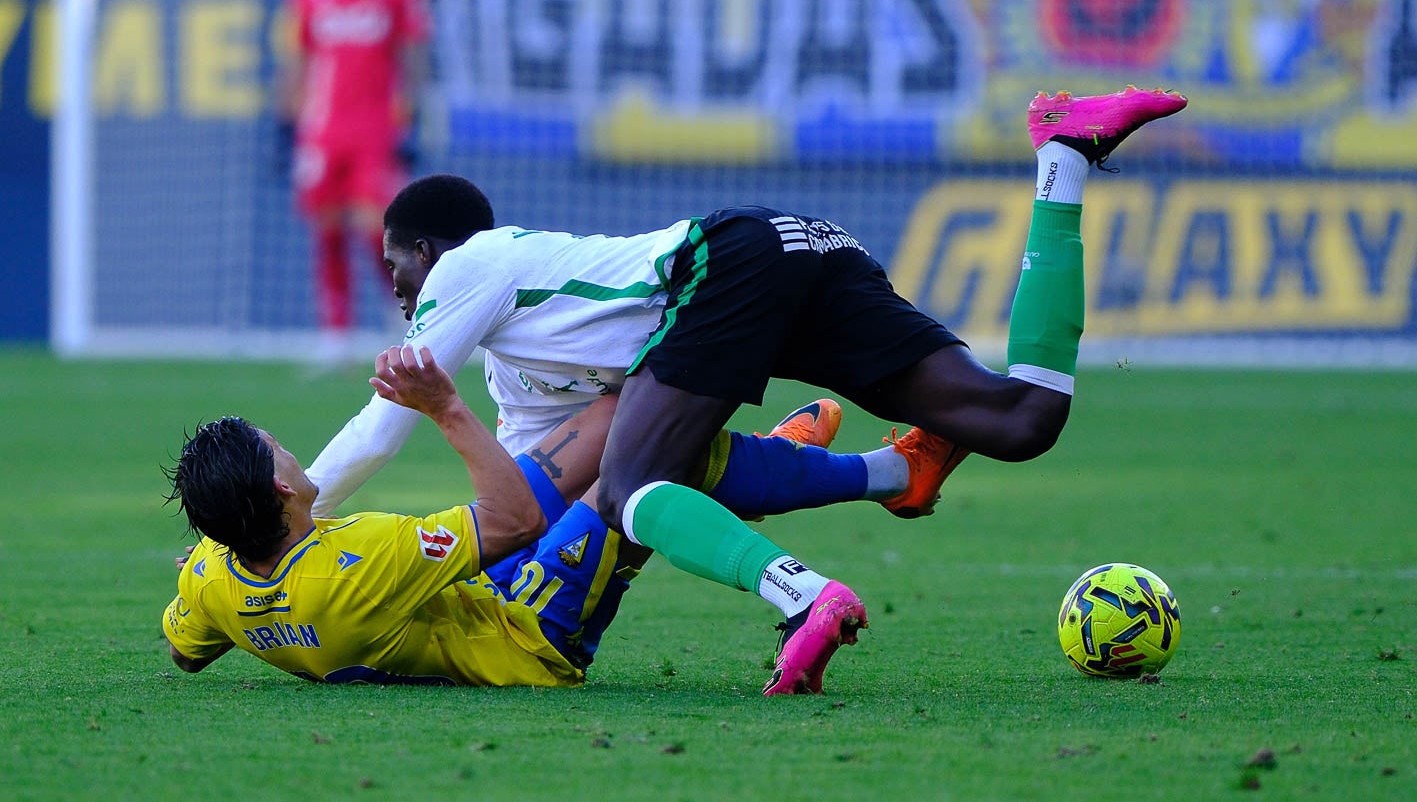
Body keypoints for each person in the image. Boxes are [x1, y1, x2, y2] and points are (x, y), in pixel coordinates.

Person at [306, 86, 1187, 693]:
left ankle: (804, 594)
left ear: (430, 253)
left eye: (395, 265)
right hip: (802, 249)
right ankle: (1065, 152)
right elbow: (533, 490)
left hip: (731, 258)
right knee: (1021, 417)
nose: (394, 287)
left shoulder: (473, 263)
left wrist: (297, 527)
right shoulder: (523, 353)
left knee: (633, 485)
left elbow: (382, 433)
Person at [162, 345, 877, 688]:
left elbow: (185, 650)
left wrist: (224, 592)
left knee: (613, 415)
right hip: (523, 627)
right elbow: (512, 519)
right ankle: (808, 584)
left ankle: (771, 463)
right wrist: (443, 405)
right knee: (636, 471)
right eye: (276, 450)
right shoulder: (360, 558)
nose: (289, 448)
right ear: (282, 493)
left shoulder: (211, 580)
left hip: (466, 588)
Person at [278, 0, 430, 360]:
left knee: (376, 227)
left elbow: (414, 54)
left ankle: (403, 310)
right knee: (326, 229)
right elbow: (296, 60)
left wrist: (413, 118)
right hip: (321, 131)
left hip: (375, 129)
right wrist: (285, 122)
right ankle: (335, 334)